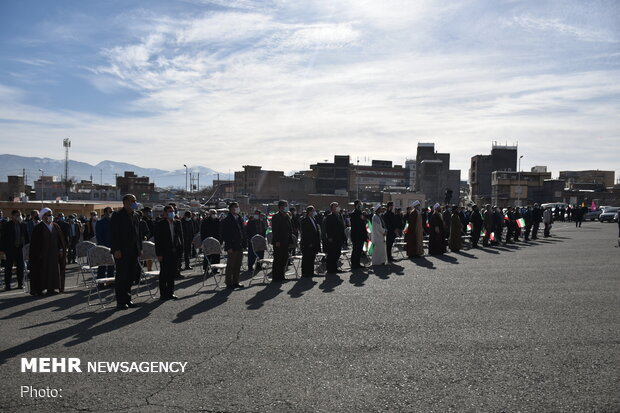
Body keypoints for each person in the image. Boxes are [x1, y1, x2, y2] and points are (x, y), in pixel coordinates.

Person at [110, 194, 142, 310]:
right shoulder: (118, 215)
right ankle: (121, 302)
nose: (134, 203)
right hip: (122, 251)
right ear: (125, 202)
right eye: (132, 201)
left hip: (133, 251)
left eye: (135, 200)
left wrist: (140, 248)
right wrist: (116, 249)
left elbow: (138, 234)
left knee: (130, 276)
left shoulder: (135, 215)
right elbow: (114, 234)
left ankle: (128, 299)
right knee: (121, 276)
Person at [28, 207, 66, 295]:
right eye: (48, 215)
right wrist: (38, 254)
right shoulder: (38, 228)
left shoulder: (55, 226)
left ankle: (51, 288)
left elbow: (60, 240)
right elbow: (35, 244)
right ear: (43, 217)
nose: (50, 216)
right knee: (42, 271)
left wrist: (61, 249)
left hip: (54, 254)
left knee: (53, 271)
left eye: (51, 215)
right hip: (42, 255)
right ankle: (39, 289)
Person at [155, 205, 183, 300]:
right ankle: (163, 294)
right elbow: (158, 240)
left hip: (174, 251)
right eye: (169, 211)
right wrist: (159, 254)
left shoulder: (177, 223)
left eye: (173, 211)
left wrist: (180, 251)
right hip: (164, 252)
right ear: (165, 213)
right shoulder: (160, 224)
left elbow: (180, 237)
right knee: (164, 273)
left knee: (172, 273)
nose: (172, 213)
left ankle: (170, 292)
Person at [1, 210, 29, 290]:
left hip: (20, 249)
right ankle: (7, 285)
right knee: (8, 267)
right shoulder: (7, 225)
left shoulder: (23, 225)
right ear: (12, 216)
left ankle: (20, 284)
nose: (19, 216)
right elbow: (3, 238)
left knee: (20, 267)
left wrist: (26, 248)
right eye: (17, 215)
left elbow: (26, 237)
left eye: (20, 215)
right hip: (10, 249)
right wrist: (2, 249)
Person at [220, 202, 245, 289]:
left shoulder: (239, 218)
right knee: (231, 265)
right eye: (235, 207)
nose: (237, 208)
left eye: (238, 206)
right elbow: (225, 235)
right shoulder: (227, 220)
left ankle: (236, 281)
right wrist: (229, 247)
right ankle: (228, 282)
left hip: (239, 244)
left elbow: (242, 232)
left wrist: (244, 243)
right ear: (230, 209)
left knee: (238, 264)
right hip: (232, 245)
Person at [271, 200, 292, 282]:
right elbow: (275, 230)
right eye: (285, 205)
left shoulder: (286, 216)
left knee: (284, 258)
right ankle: (276, 277)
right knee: (278, 259)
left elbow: (289, 228)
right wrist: (277, 241)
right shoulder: (276, 216)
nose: (287, 207)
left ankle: (281, 276)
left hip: (286, 241)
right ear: (281, 207)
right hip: (279, 241)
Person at [324, 202, 346, 274]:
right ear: (332, 208)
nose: (337, 207)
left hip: (339, 237)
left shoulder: (339, 215)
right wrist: (329, 237)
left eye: (337, 206)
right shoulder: (330, 216)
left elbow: (342, 226)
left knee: (337, 253)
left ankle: (335, 267)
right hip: (333, 238)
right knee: (332, 254)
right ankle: (330, 269)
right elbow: (327, 228)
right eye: (335, 206)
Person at [299, 206, 321, 277]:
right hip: (308, 243)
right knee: (306, 258)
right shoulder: (304, 220)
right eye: (313, 211)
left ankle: (311, 272)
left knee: (312, 257)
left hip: (314, 242)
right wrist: (309, 242)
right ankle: (305, 273)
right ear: (309, 212)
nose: (314, 212)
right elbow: (305, 233)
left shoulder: (313, 219)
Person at [96, 207, 115, 279]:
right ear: (105, 213)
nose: (111, 213)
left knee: (111, 265)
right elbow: (99, 237)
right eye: (110, 212)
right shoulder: (100, 223)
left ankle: (110, 280)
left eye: (112, 211)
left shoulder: (114, 222)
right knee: (102, 265)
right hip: (103, 247)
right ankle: (101, 281)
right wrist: (103, 248)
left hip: (113, 247)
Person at [200, 209, 221, 274]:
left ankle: (215, 269)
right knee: (207, 255)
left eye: (215, 213)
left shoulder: (218, 220)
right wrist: (203, 241)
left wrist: (220, 240)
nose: (214, 214)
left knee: (216, 255)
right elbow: (202, 231)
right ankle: (206, 269)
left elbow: (220, 231)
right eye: (212, 213)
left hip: (216, 240)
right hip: (207, 240)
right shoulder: (205, 221)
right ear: (209, 214)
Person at [349, 200, 368, 269]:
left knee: (359, 250)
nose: (361, 205)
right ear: (357, 205)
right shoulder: (354, 213)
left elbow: (362, 223)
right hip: (356, 235)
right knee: (356, 250)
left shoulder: (359, 213)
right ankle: (354, 264)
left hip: (360, 235)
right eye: (360, 204)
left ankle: (357, 263)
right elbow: (356, 225)